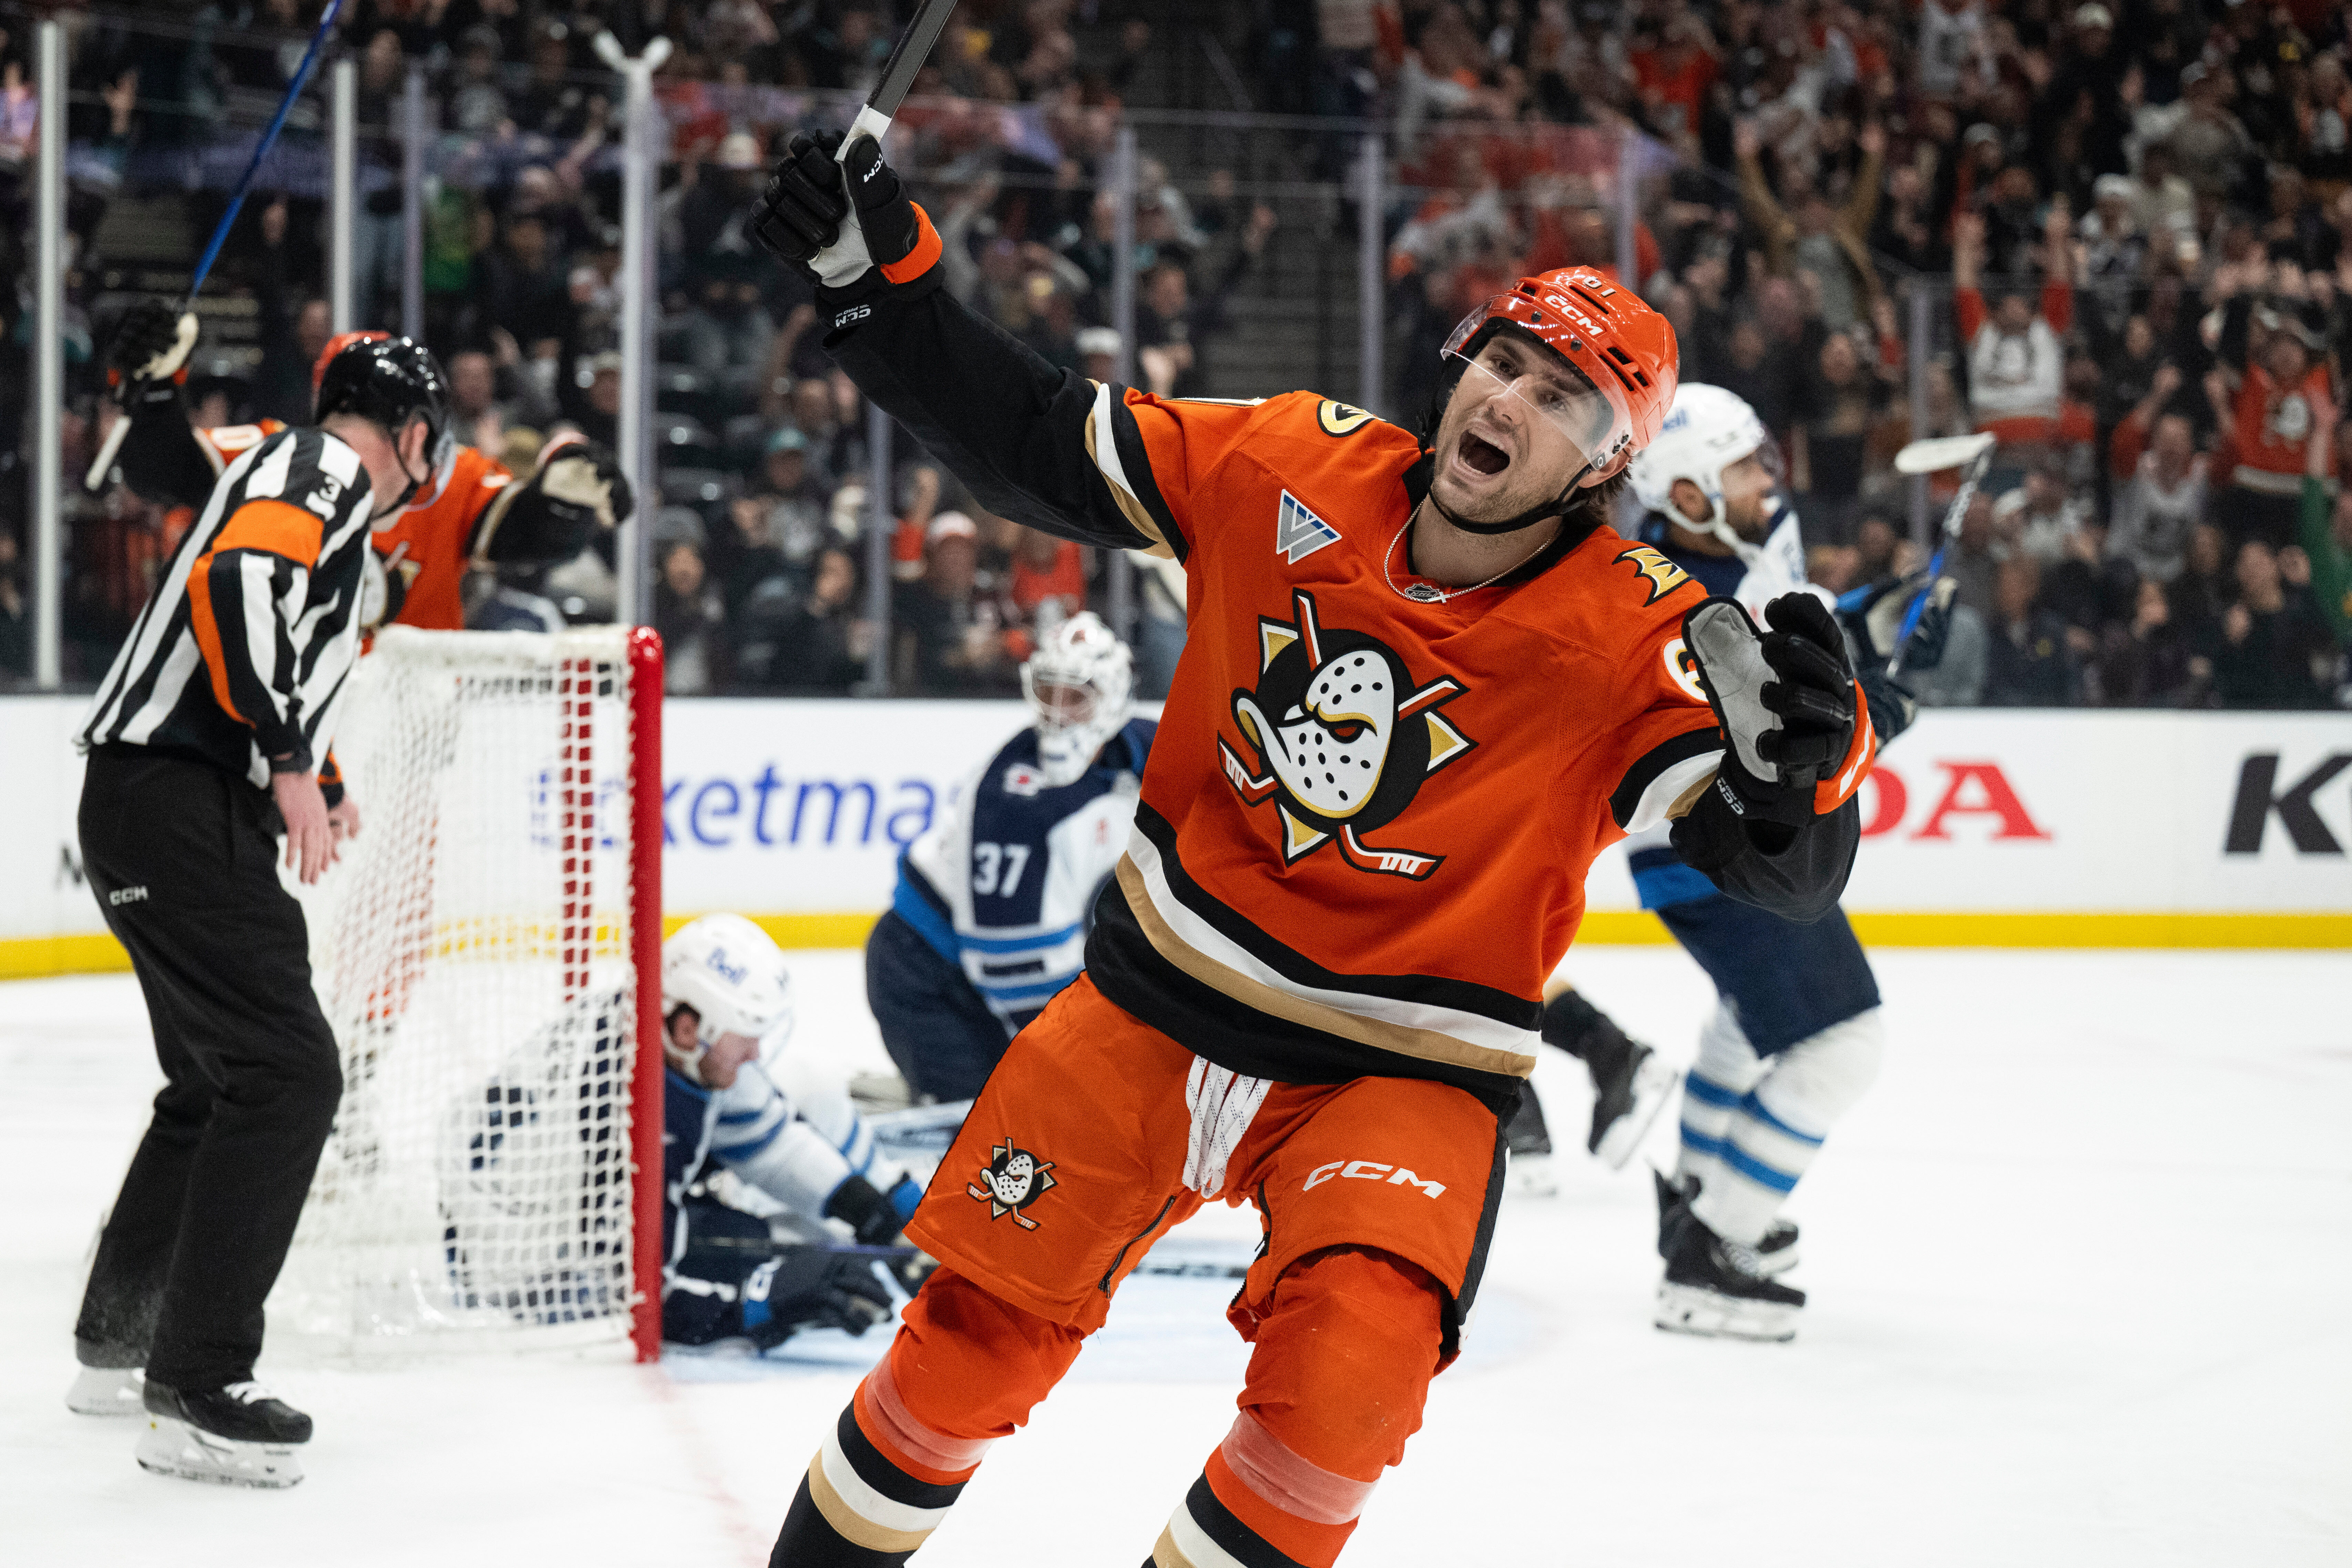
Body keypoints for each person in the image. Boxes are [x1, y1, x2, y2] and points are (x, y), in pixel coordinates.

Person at [749, 132, 1862, 1565]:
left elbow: (1776, 867)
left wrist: (1795, 784)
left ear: (1604, 465)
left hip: (1394, 1074)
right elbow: (1036, 443)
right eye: (1502, 362)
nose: (1509, 399)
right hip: (1149, 1010)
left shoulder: (1630, 630)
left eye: (1563, 396)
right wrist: (875, 292)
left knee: (1340, 1394)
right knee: (956, 1359)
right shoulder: (1288, 459)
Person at [67, 338, 454, 1487]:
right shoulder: (326, 468)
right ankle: (197, 1382)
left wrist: (311, 768)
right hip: (182, 802)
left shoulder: (304, 486)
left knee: (215, 1083)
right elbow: (235, 583)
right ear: (413, 433)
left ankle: (119, 1339)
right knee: (290, 1075)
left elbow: (258, 622)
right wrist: (287, 759)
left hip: (143, 800)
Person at [1574, 381, 1947, 1340]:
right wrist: (1888, 707)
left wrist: (1869, 609)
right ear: (1688, 490)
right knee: (1841, 1045)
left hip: (1703, 852)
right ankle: (1713, 1246)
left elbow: (1792, 619)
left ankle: (1702, 1194)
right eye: (1742, 468)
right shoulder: (1690, 603)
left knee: (1747, 1027)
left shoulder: (1708, 551)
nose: (1765, 481)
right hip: (1724, 848)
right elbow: (1780, 754)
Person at [99, 302, 634, 636]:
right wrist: (156, 395)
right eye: (348, 415)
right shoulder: (273, 457)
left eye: (382, 420)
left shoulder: (452, 480)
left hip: (406, 746)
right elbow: (165, 472)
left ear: (417, 430)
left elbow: (529, 536)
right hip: (281, 748)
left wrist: (563, 505)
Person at [867, 613, 1155, 1105]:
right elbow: (1011, 969)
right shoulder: (1013, 803)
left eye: (1077, 697)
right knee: (1001, 1130)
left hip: (973, 968)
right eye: (1049, 693)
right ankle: (934, 1087)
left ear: (1112, 702)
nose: (1059, 714)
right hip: (929, 975)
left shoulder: (1134, 748)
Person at [657, 915, 926, 1351]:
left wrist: (879, 1216)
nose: (756, 1052)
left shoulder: (681, 1053)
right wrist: (760, 1305)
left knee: (811, 1081)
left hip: (644, 1205)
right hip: (558, 1254)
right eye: (744, 1038)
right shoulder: (628, 1119)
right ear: (688, 1030)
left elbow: (775, 1146)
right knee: (779, 1251)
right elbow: (631, 1298)